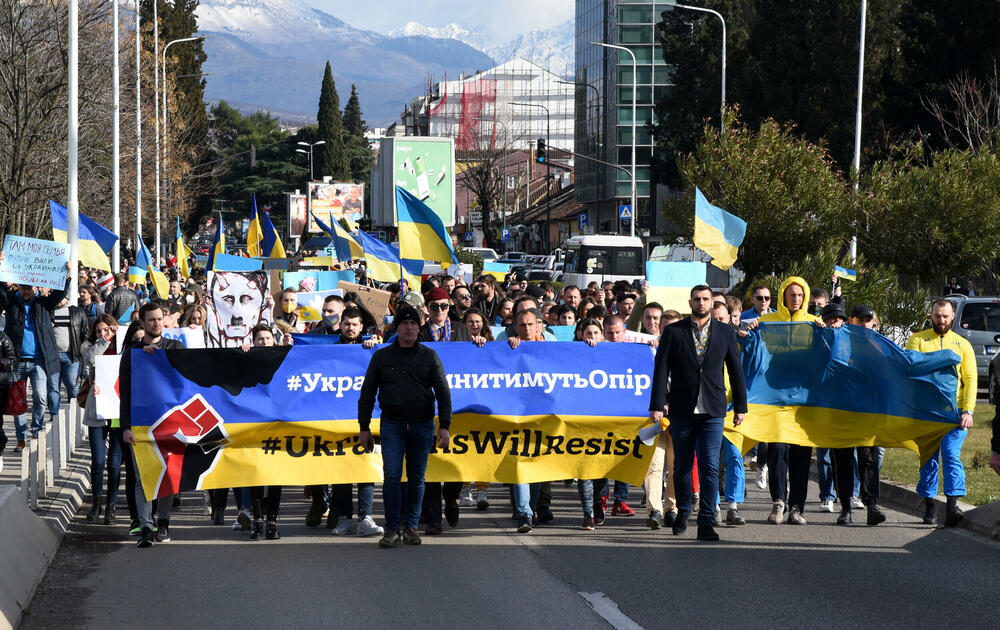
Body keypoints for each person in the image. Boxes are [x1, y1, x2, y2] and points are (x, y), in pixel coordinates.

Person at [649, 285, 748, 541]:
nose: (702, 303)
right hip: (682, 408)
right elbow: (661, 370)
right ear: (690, 302)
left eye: (706, 299)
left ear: (712, 303)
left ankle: (706, 521)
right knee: (681, 466)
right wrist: (657, 405)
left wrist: (740, 406)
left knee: (710, 466)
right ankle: (683, 511)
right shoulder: (674, 331)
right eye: (697, 299)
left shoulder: (726, 331)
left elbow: (735, 370)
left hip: (713, 409)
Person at [357, 305, 451, 548]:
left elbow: (443, 392)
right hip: (392, 425)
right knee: (392, 478)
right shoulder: (382, 357)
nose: (409, 327)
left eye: (413, 323)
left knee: (417, 479)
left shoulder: (429, 356)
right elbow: (367, 393)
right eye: (404, 323)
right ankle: (392, 529)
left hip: (423, 425)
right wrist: (364, 427)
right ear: (396, 328)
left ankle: (411, 527)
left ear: (419, 327)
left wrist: (445, 426)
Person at [418, 287, 484, 534]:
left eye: (444, 306)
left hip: (458, 406)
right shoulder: (420, 332)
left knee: (455, 458)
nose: (440, 312)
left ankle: (452, 497)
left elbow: (477, 364)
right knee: (432, 463)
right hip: (427, 405)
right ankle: (434, 519)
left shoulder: (463, 331)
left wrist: (479, 344)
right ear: (427, 308)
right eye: (434, 307)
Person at [905, 298, 976, 527]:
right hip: (926, 413)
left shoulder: (962, 344)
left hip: (954, 414)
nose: (941, 320)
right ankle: (930, 508)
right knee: (929, 459)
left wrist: (968, 410)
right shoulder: (917, 340)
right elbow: (911, 368)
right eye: (937, 316)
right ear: (931, 315)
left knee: (950, 454)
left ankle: (953, 507)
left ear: (953, 316)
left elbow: (970, 379)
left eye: (945, 316)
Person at [120, 301, 186, 547]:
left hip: (171, 423)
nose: (156, 323)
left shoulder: (175, 347)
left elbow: (186, 379)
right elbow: (125, 392)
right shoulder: (132, 354)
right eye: (151, 320)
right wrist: (125, 426)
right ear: (142, 323)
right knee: (142, 477)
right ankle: (146, 527)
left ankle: (164, 521)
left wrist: (159, 357)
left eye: (160, 319)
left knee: (168, 475)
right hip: (141, 425)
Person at [759, 276, 822, 525]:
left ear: (805, 297)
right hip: (774, 397)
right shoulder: (767, 322)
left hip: (803, 399)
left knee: (801, 453)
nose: (796, 299)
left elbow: (826, 353)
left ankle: (797, 507)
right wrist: (750, 330)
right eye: (791, 294)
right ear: (783, 296)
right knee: (777, 449)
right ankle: (778, 502)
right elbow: (753, 348)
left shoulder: (813, 323)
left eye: (800, 295)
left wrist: (830, 331)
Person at [0, 258, 71, 451]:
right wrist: (1, 266)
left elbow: (59, 294)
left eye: (29, 288)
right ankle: (21, 437)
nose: (25, 291)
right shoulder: (12, 303)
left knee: (40, 397)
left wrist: (67, 274)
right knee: (17, 402)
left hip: (39, 361)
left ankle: (36, 430)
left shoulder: (43, 304)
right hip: (16, 361)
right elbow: (1, 291)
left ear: (35, 289)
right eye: (23, 288)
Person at [328, 309, 383, 538]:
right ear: (340, 325)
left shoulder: (371, 349)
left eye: (355, 324)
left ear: (362, 327)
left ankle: (365, 517)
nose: (350, 328)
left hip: (366, 417)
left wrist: (376, 345)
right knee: (342, 470)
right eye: (347, 324)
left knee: (365, 467)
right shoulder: (329, 350)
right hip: (336, 418)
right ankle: (344, 518)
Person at [245, 324, 287, 540]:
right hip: (253, 425)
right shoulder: (247, 359)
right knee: (255, 474)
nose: (264, 342)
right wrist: (240, 355)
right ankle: (256, 519)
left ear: (274, 340)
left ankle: (271, 521)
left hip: (277, 425)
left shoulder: (281, 357)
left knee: (274, 475)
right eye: (260, 339)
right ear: (253, 341)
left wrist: (291, 349)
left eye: (268, 338)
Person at [80, 314, 122, 524]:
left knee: (114, 464)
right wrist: (104, 340)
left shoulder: (122, 348)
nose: (103, 334)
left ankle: (111, 506)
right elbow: (93, 359)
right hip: (97, 408)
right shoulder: (89, 346)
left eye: (107, 330)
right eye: (99, 331)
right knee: (98, 461)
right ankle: (96, 502)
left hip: (116, 411)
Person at [49, 296, 89, 431]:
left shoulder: (77, 312)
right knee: (54, 388)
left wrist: (83, 351)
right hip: (53, 356)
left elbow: (85, 333)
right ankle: (54, 417)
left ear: (67, 298)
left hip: (71, 356)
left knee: (72, 385)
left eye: (62, 297)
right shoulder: (49, 311)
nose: (59, 300)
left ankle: (75, 413)